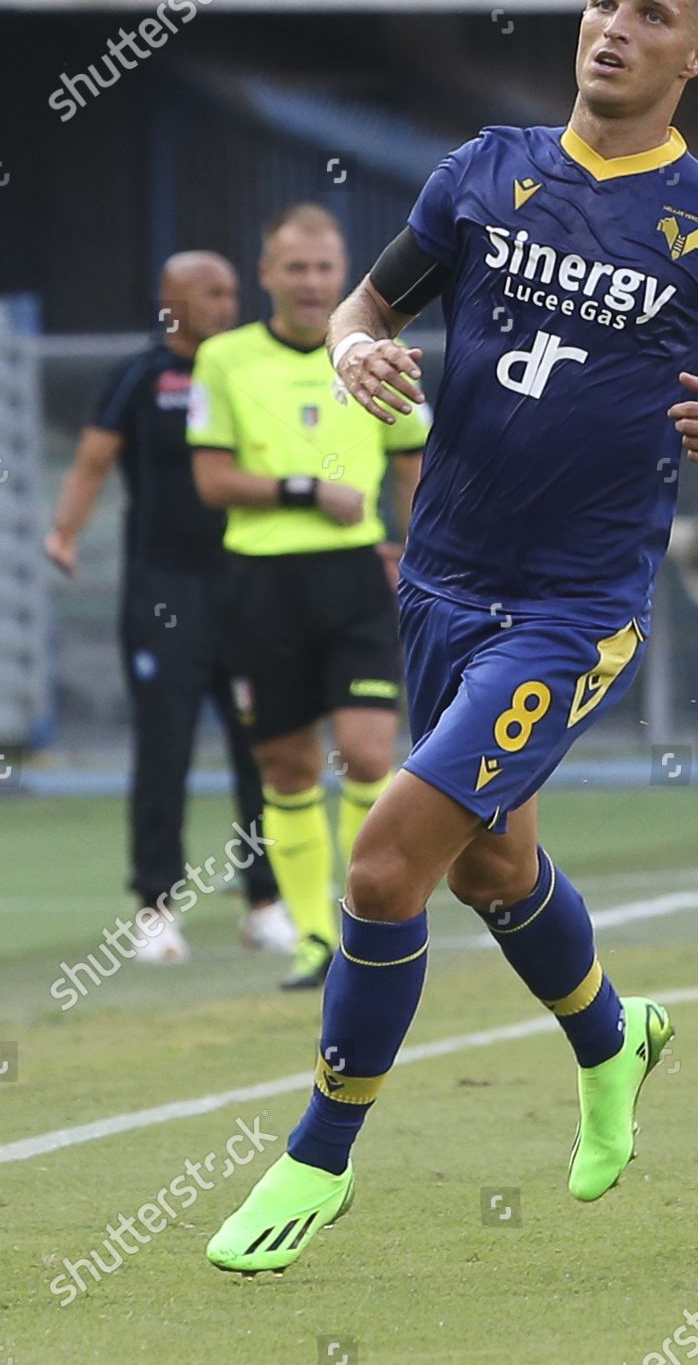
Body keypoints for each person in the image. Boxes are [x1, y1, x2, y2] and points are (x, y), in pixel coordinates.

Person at [206, 0, 698, 1272]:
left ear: (695, 54)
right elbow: (364, 314)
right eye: (600, 1)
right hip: (440, 578)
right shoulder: (483, 174)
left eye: (649, 15)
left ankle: (320, 1153)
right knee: (490, 863)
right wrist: (359, 359)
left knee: (384, 865)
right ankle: (614, 1041)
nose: (612, 27)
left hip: (572, 607)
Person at [187, 204, 428, 991]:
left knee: (366, 753)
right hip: (261, 585)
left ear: (343, 272)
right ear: (266, 275)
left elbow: (409, 457)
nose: (312, 282)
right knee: (287, 770)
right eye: (295, 267)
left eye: (325, 268)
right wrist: (301, 490)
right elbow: (212, 478)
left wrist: (413, 547)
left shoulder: (371, 350)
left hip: (355, 579)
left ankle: (365, 923)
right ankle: (314, 940)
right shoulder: (225, 359)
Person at [45, 251, 293, 964]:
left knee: (265, 748)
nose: (226, 303)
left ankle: (266, 901)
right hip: (164, 595)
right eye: (210, 292)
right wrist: (64, 532)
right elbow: (91, 462)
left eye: (231, 292)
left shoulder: (250, 369)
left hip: (248, 586)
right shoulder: (140, 377)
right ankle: (156, 908)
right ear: (170, 300)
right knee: (165, 751)